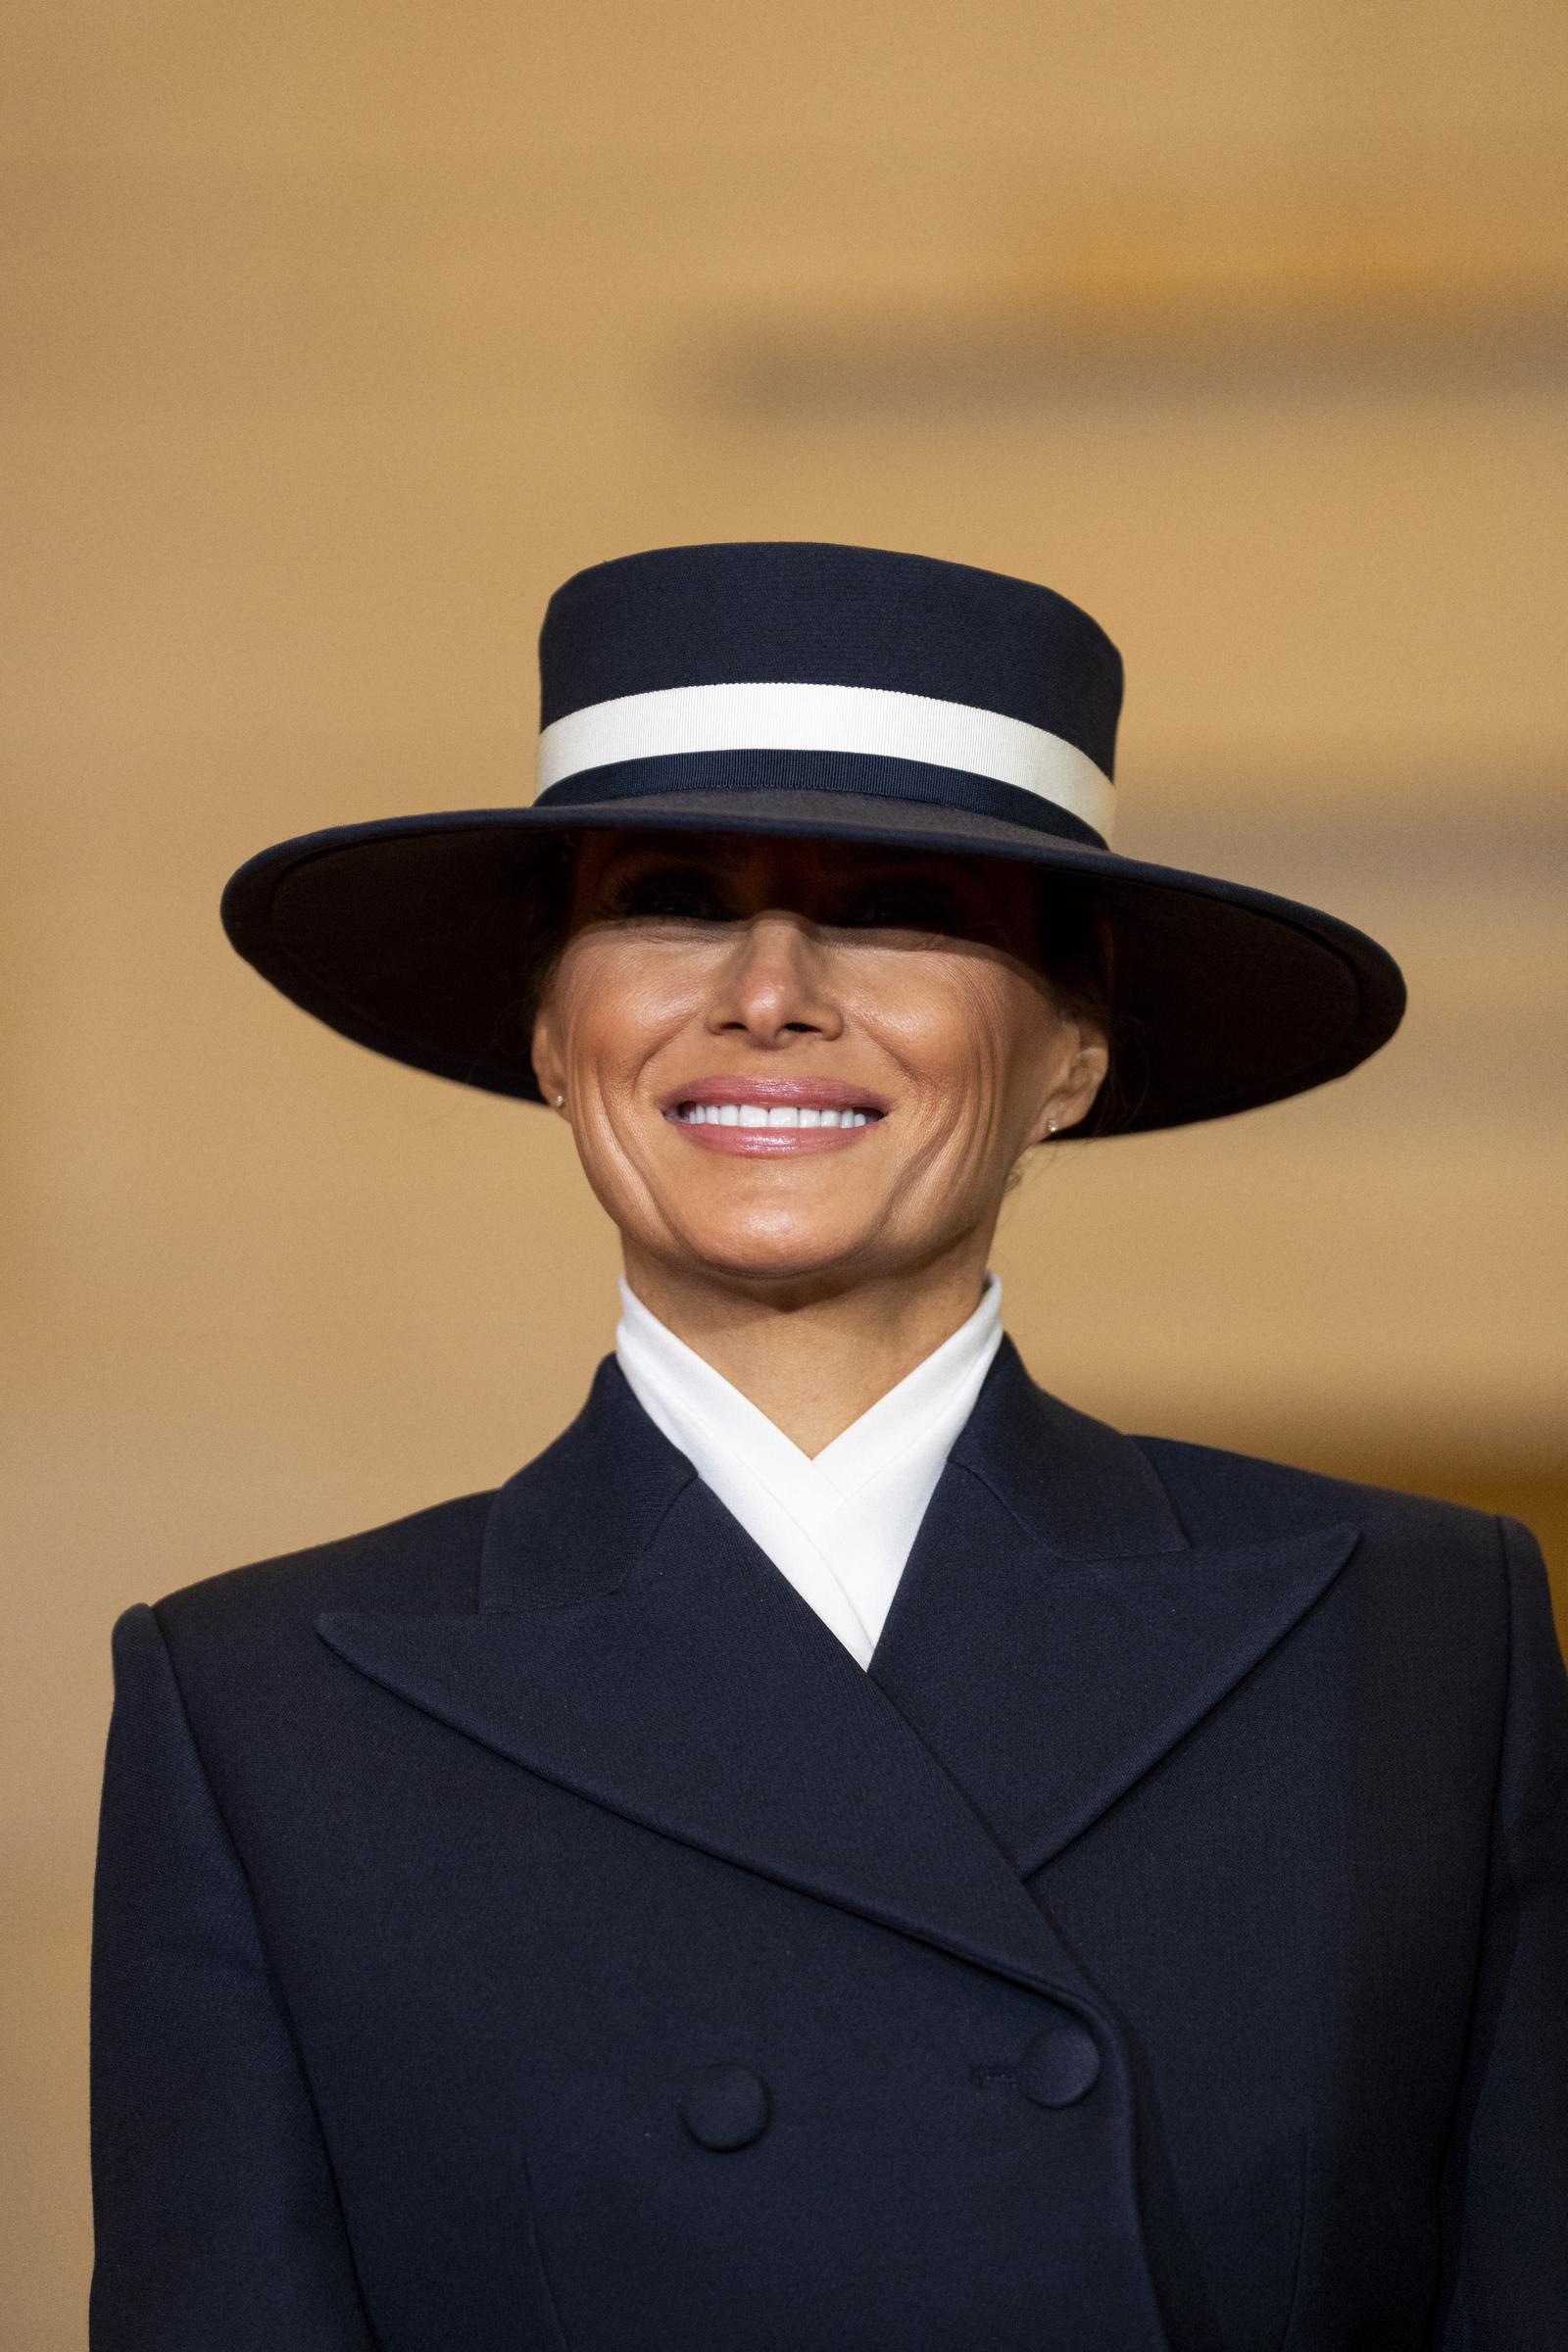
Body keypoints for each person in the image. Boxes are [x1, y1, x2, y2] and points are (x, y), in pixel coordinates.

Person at [88, 542, 1567, 2350]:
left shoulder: (1420, 1636)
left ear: (1072, 1056)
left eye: (898, 906)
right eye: (675, 900)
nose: (771, 988)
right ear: (558, 1036)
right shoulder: (254, 1711)